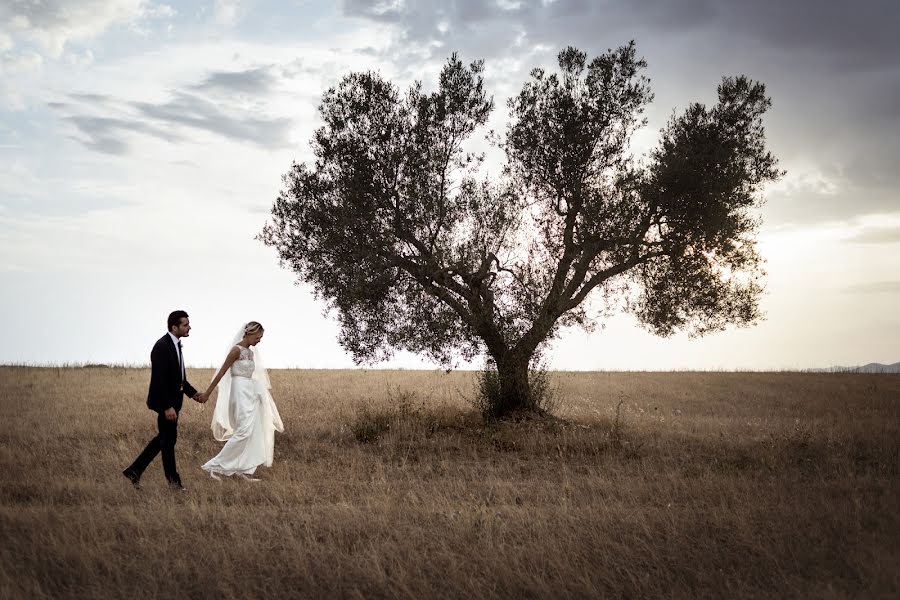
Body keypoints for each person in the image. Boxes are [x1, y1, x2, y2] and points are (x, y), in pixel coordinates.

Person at [123, 310, 206, 491]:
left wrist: (194, 394)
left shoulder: (176, 344)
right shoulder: (162, 346)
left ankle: (134, 470)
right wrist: (167, 407)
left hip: (173, 404)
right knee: (167, 442)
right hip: (165, 404)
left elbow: (179, 378)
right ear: (174, 327)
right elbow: (159, 380)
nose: (189, 327)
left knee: (164, 439)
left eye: (188, 324)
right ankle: (174, 483)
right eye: (185, 324)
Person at [201, 322, 283, 481]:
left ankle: (241, 467)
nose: (259, 341)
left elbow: (252, 375)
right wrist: (207, 393)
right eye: (258, 337)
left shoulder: (250, 353)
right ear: (249, 333)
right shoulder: (236, 350)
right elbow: (222, 372)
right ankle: (214, 465)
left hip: (250, 393)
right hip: (239, 393)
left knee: (252, 431)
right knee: (243, 431)